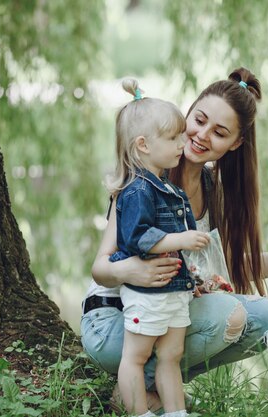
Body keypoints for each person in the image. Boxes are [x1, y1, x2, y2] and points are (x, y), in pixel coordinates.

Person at [81, 67, 268, 412]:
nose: (202, 135)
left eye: (219, 133)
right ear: (187, 114)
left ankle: (147, 386)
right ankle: (137, 388)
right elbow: (101, 267)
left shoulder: (212, 190)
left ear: (235, 144)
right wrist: (131, 271)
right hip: (116, 321)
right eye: (199, 120)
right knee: (229, 313)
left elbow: (236, 265)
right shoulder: (143, 182)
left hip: (164, 317)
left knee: (265, 319)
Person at [106, 79, 209, 417]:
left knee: (171, 355)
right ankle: (139, 412)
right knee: (136, 356)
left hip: (173, 290)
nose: (184, 142)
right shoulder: (138, 191)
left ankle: (176, 413)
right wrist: (181, 240)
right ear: (143, 145)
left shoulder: (167, 187)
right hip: (146, 293)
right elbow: (137, 238)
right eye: (174, 138)